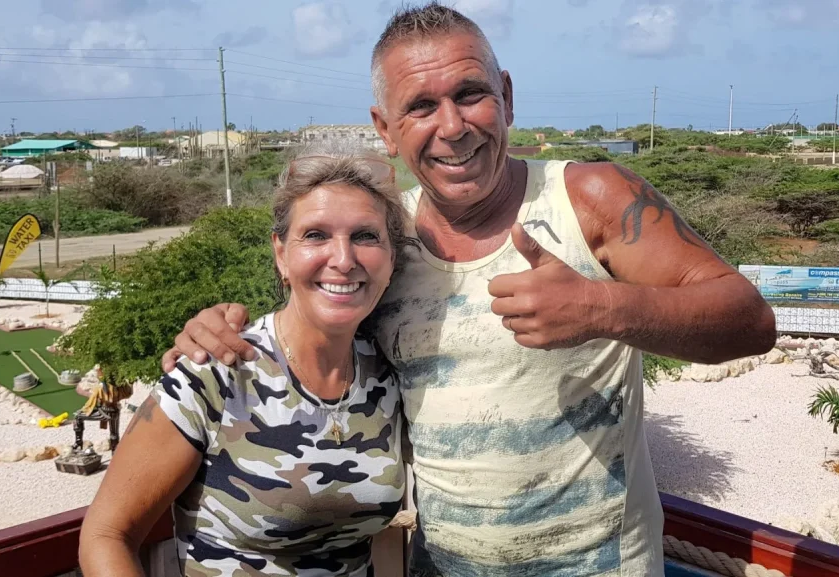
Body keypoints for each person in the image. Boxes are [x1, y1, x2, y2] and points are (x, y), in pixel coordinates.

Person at [162, 3, 777, 576]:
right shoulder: (384, 242)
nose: (452, 127)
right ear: (385, 128)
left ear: (506, 96)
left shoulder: (590, 198)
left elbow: (750, 321)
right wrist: (212, 332)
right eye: (420, 106)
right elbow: (306, 333)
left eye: (470, 94)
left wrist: (603, 307)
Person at [79, 150, 414, 577]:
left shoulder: (388, 374)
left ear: (391, 259)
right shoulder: (215, 372)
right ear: (281, 254)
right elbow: (106, 535)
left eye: (366, 236)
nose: (343, 259)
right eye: (315, 235)